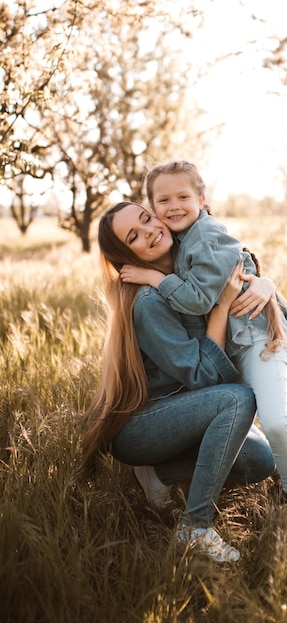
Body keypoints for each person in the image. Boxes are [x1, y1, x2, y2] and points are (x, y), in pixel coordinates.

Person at [81, 201, 276, 564]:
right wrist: (221, 308)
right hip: (143, 426)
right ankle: (196, 527)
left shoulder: (189, 268)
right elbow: (203, 378)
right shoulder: (150, 302)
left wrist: (264, 283)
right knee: (237, 401)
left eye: (145, 218)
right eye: (134, 236)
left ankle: (160, 473)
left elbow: (239, 263)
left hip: (182, 412)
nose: (150, 230)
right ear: (127, 254)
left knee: (260, 460)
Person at [120, 160, 287, 505]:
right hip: (221, 358)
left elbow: (201, 296)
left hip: (255, 339)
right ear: (152, 207)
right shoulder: (177, 244)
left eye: (183, 196)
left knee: (273, 421)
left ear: (201, 198)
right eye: (162, 201)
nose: (173, 206)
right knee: (246, 413)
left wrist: (265, 284)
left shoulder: (204, 236)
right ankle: (176, 488)